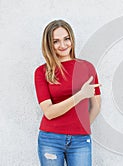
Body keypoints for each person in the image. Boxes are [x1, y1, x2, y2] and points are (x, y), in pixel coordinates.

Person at [34, 19, 101, 166]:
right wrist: (80, 95)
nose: (63, 45)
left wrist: (80, 127)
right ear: (49, 44)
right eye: (56, 41)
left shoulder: (87, 67)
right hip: (50, 139)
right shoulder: (42, 72)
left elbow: (96, 107)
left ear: (72, 39)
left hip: (81, 140)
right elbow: (49, 112)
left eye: (66, 39)